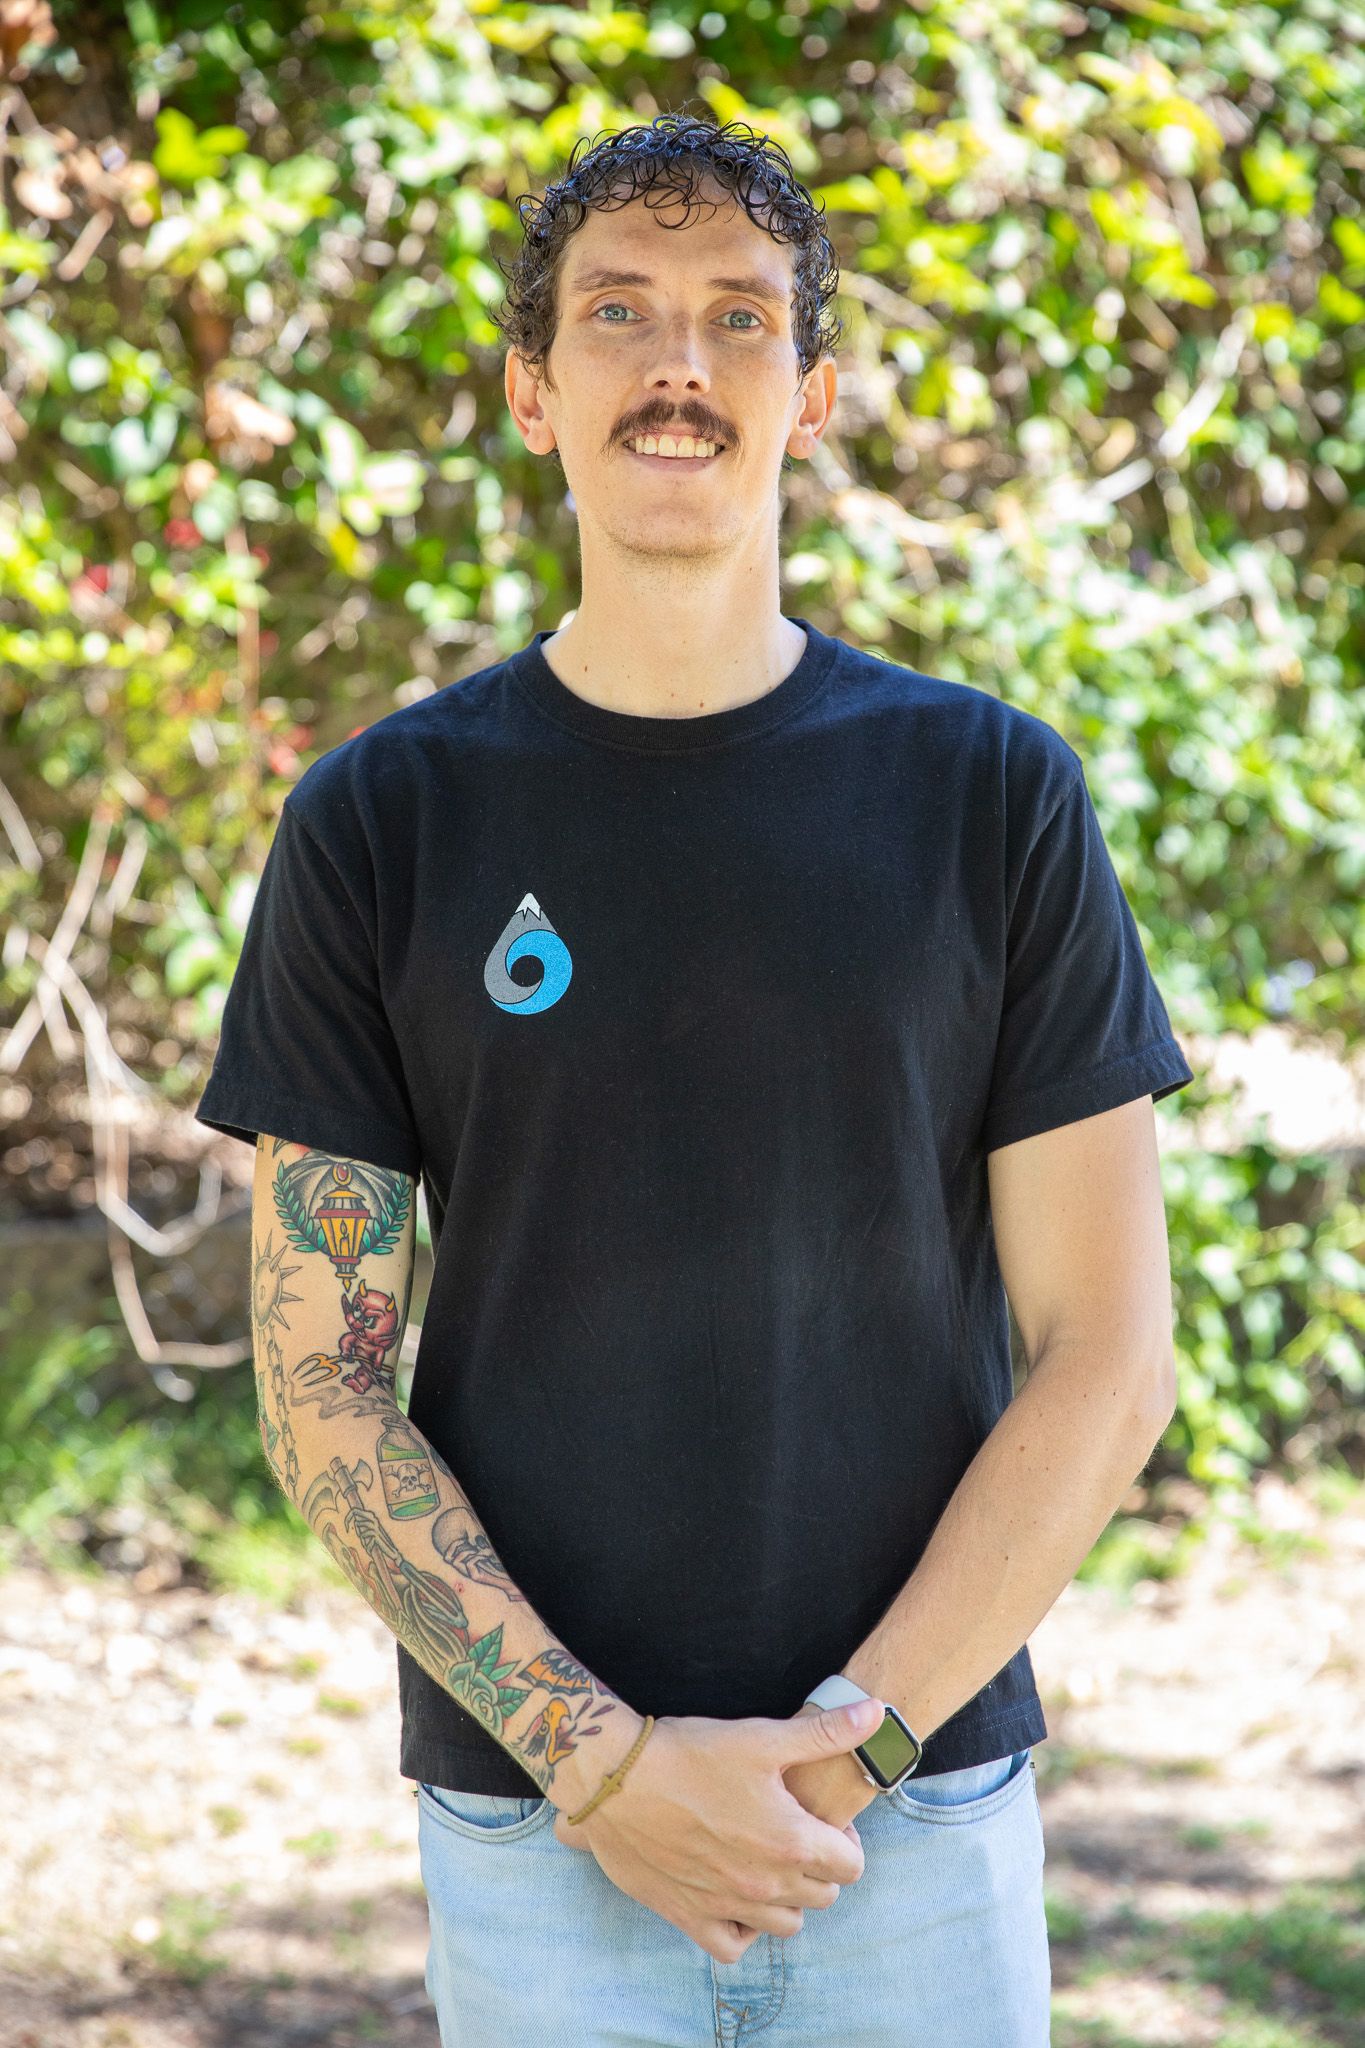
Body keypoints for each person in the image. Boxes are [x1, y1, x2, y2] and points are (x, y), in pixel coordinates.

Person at [196, 110, 1194, 2047]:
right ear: (531, 392)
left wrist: (837, 1757)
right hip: (535, 1833)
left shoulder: (988, 797)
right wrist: (604, 1766)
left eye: (739, 317)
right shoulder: (379, 823)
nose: (678, 363)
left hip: (911, 1822)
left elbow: (1106, 1353)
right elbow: (322, 1387)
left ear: (808, 395)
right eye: (619, 313)